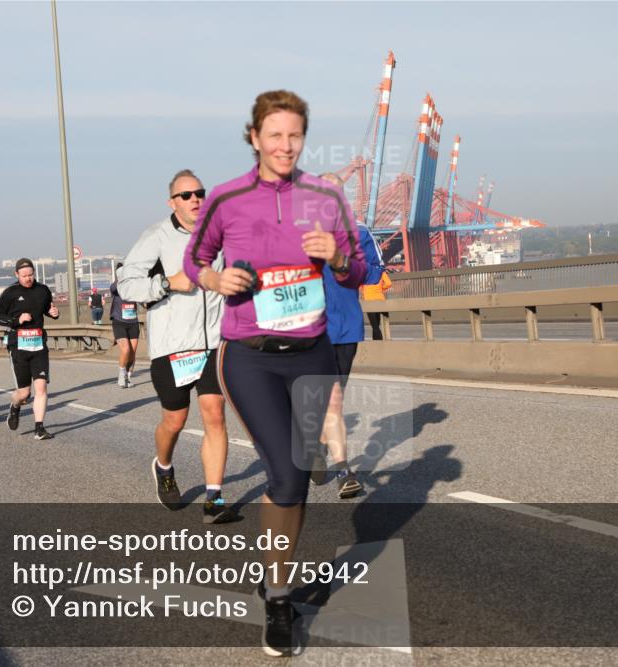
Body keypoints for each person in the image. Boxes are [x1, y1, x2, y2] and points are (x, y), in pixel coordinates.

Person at [184, 90, 366, 656]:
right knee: (286, 477)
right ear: (255, 137)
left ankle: (275, 576)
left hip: (311, 352)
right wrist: (216, 281)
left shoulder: (326, 195)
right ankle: (280, 600)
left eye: (295, 135)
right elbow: (195, 260)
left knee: (296, 478)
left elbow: (358, 269)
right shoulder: (227, 198)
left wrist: (336, 257)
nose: (285, 145)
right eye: (275, 134)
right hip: (251, 357)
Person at [119, 169, 237, 524]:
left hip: (214, 344)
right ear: (172, 202)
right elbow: (126, 284)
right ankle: (164, 465)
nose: (195, 199)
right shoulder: (156, 237)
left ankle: (213, 498)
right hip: (173, 347)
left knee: (215, 413)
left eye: (199, 193)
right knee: (175, 419)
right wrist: (168, 283)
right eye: (186, 195)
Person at [313, 172, 386, 498]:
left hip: (347, 328)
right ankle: (344, 471)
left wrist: (346, 264)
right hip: (309, 332)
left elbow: (375, 272)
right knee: (333, 400)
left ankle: (315, 443)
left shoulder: (360, 232)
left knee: (333, 397)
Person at [0, 258, 60, 440]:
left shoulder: (43, 290)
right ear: (16, 275)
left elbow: (47, 309)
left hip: (39, 345)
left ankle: (39, 428)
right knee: (24, 393)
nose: (28, 278)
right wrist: (16, 320)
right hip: (18, 346)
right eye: (24, 276)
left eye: (31, 275)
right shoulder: (10, 293)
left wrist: (54, 313)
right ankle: (15, 407)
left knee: (41, 387)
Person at [108, 263, 140, 388]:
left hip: (133, 322)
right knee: (125, 349)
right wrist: (121, 277)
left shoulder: (133, 286)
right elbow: (114, 287)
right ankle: (121, 374)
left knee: (132, 352)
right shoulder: (115, 287)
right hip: (119, 322)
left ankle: (128, 377)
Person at [361, 267, 392, 340]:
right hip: (380, 300)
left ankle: (378, 344)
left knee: (374, 326)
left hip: (369, 300)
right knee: (377, 324)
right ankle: (377, 342)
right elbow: (389, 283)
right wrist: (381, 288)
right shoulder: (381, 272)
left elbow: (360, 285)